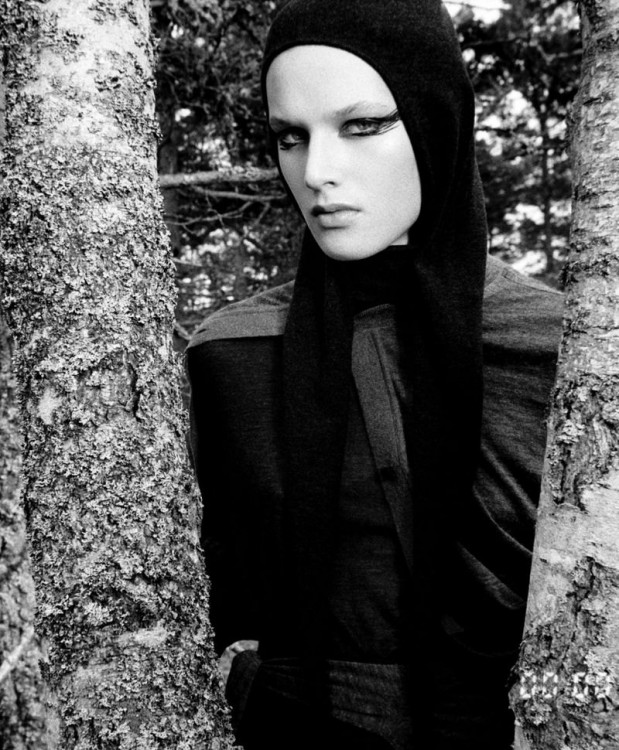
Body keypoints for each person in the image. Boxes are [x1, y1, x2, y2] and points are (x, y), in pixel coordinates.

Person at [185, 0, 564, 747]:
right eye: (290, 137)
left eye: (362, 125)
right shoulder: (234, 350)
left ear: (435, 121)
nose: (316, 172)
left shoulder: (558, 346)